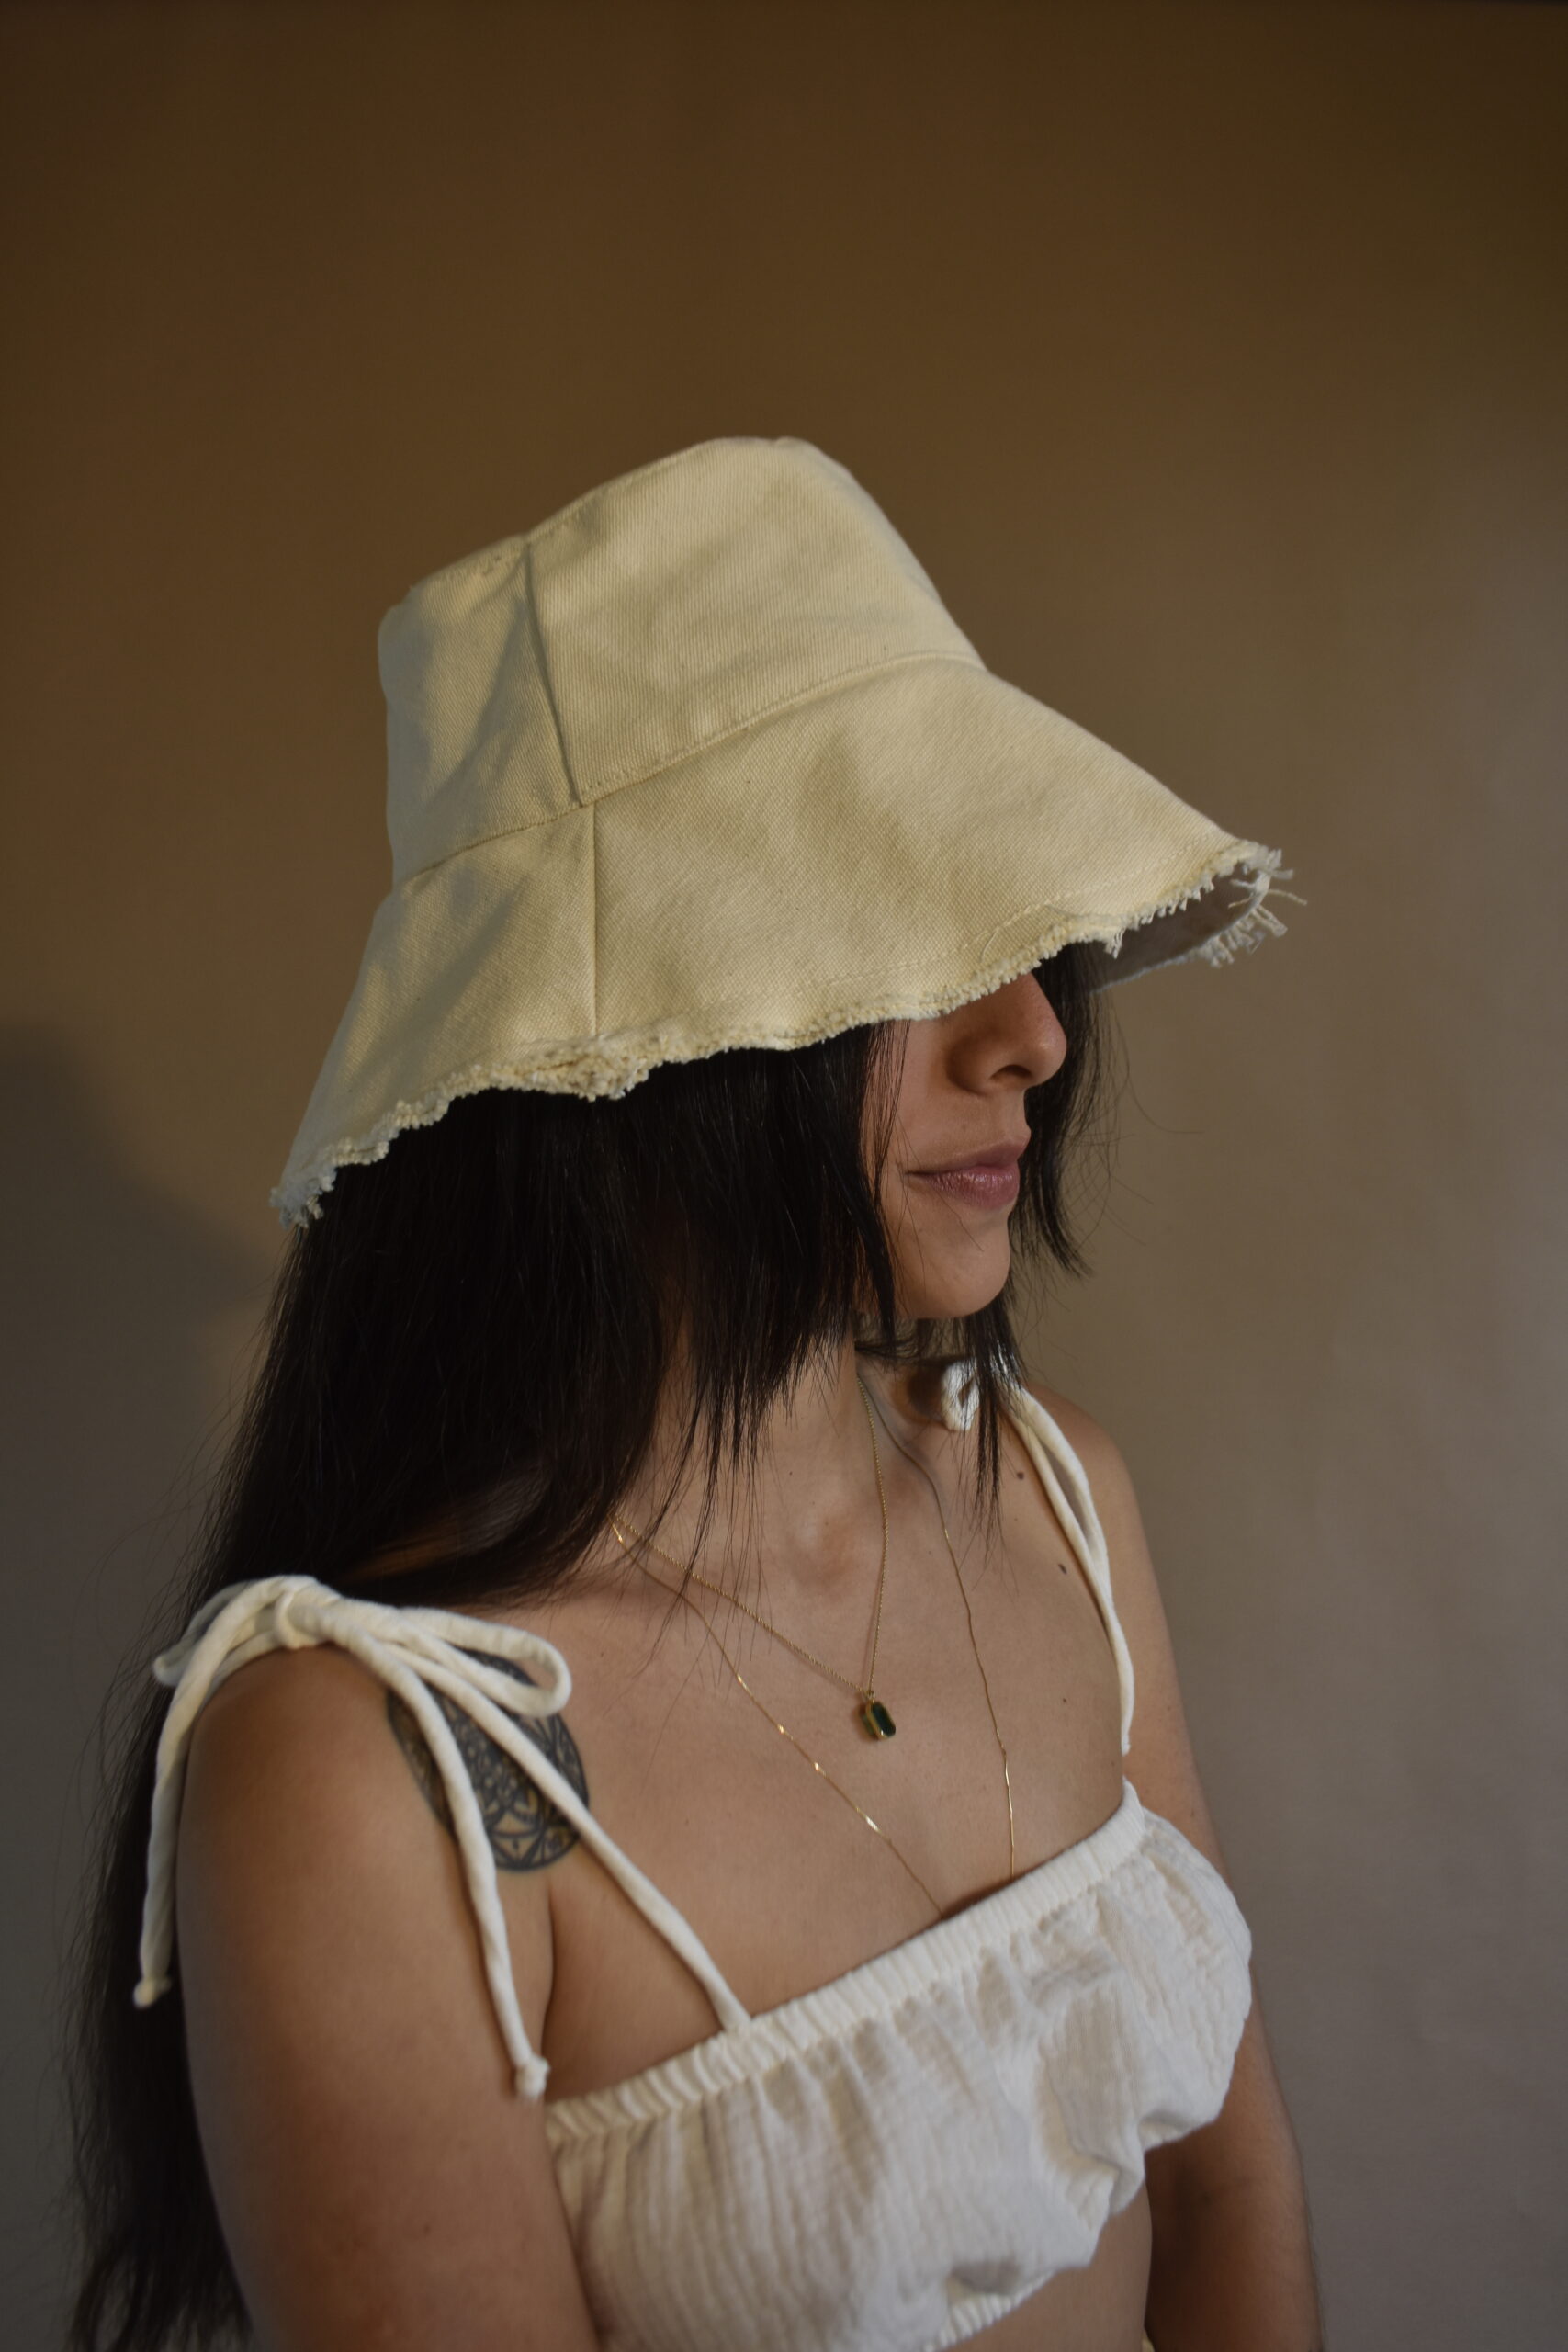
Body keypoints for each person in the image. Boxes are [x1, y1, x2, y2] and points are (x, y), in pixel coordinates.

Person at [68, 435, 1322, 2352]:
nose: (1034, 1034)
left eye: (1014, 932)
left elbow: (1227, 2194)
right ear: (627, 1041)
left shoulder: (1057, 1497)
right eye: (909, 944)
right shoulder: (363, 1768)